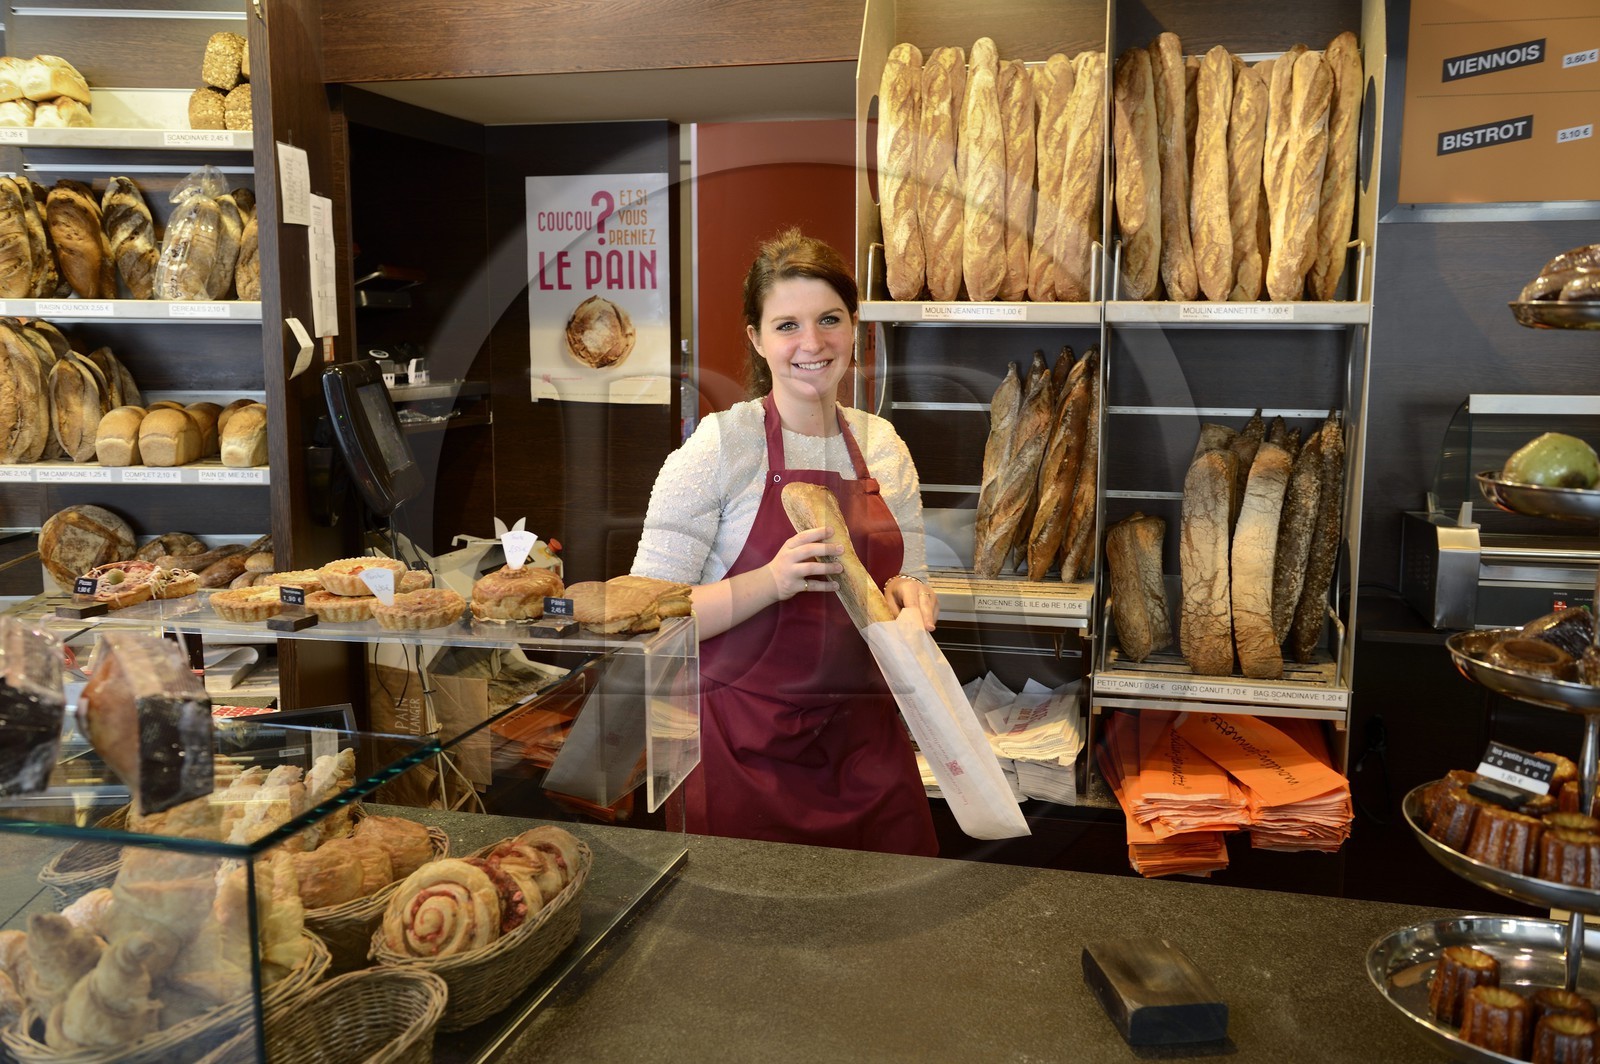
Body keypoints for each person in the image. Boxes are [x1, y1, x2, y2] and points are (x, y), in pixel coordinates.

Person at [632, 228, 939, 856]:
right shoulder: (719, 447)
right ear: (756, 338)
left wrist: (912, 596)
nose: (812, 343)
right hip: (743, 748)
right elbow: (647, 616)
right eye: (787, 325)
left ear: (854, 327)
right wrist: (769, 582)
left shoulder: (882, 446)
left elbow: (910, 577)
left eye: (829, 319)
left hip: (864, 741)